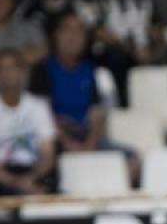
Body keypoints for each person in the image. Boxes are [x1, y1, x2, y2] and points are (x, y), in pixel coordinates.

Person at [0, 48, 57, 195]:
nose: (8, 72)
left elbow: (48, 154)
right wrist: (16, 183)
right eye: (2, 68)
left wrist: (31, 178)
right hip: (3, 176)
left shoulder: (39, 107)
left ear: (23, 71)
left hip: (36, 170)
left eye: (13, 67)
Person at [28, 11, 108, 154]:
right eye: (66, 29)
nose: (73, 36)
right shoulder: (42, 70)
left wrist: (88, 146)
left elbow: (98, 115)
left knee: (133, 160)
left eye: (79, 31)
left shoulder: (93, 70)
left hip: (88, 138)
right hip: (54, 138)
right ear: (55, 36)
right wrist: (67, 143)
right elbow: (42, 115)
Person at [89, 0, 157, 106]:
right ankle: (125, 108)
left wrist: (154, 48)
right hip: (116, 55)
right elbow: (98, 32)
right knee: (116, 60)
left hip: (144, 50)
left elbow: (157, 26)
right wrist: (131, 50)